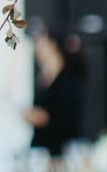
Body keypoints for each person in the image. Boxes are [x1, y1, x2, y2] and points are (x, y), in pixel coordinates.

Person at [23, 29, 86, 158]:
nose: (37, 48)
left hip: (61, 150)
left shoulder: (69, 78)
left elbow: (67, 115)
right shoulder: (42, 77)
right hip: (42, 148)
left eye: (41, 43)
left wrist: (42, 117)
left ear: (52, 45)